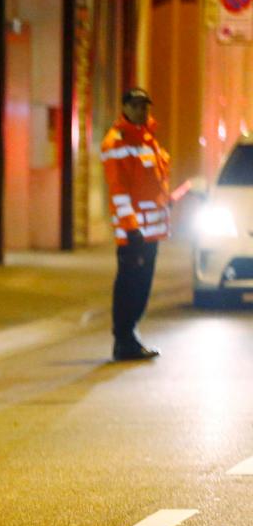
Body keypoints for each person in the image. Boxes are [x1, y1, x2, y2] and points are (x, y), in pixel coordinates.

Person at [100, 87, 170, 361]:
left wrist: (170, 201)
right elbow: (118, 190)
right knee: (129, 286)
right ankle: (124, 340)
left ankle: (129, 338)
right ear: (125, 108)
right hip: (134, 233)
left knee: (141, 287)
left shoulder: (147, 139)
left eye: (145, 106)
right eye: (137, 105)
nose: (142, 110)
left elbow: (153, 183)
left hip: (150, 232)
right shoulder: (116, 142)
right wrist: (131, 227)